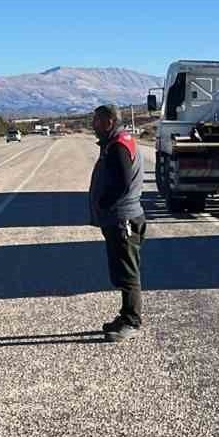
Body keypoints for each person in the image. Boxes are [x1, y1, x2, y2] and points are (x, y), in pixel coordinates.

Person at [88, 104, 146, 341]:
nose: (93, 125)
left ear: (110, 122)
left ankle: (132, 321)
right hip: (120, 217)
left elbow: (122, 183)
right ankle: (125, 315)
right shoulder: (118, 142)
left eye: (97, 121)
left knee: (128, 272)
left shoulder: (118, 147)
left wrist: (105, 202)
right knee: (122, 269)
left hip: (123, 219)